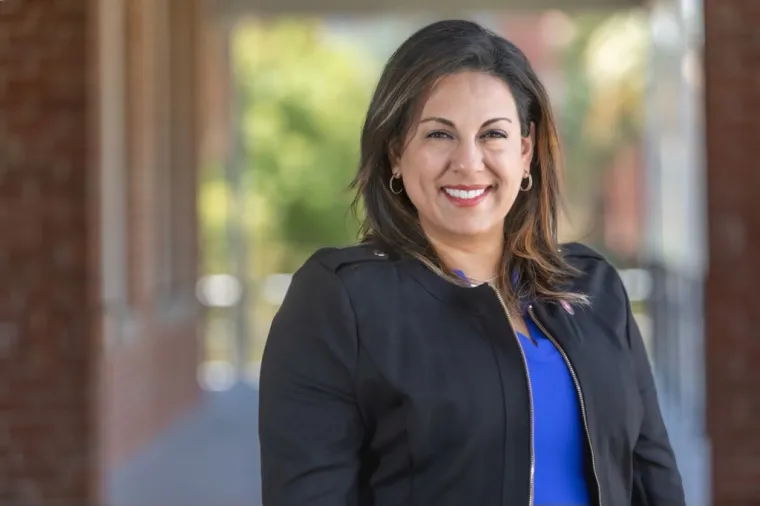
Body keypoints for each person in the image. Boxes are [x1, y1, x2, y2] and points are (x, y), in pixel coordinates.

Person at [258, 19, 685, 506]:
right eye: (439, 135)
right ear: (397, 152)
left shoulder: (594, 288)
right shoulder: (341, 302)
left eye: (492, 135)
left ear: (525, 153)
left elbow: (655, 482)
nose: (468, 162)